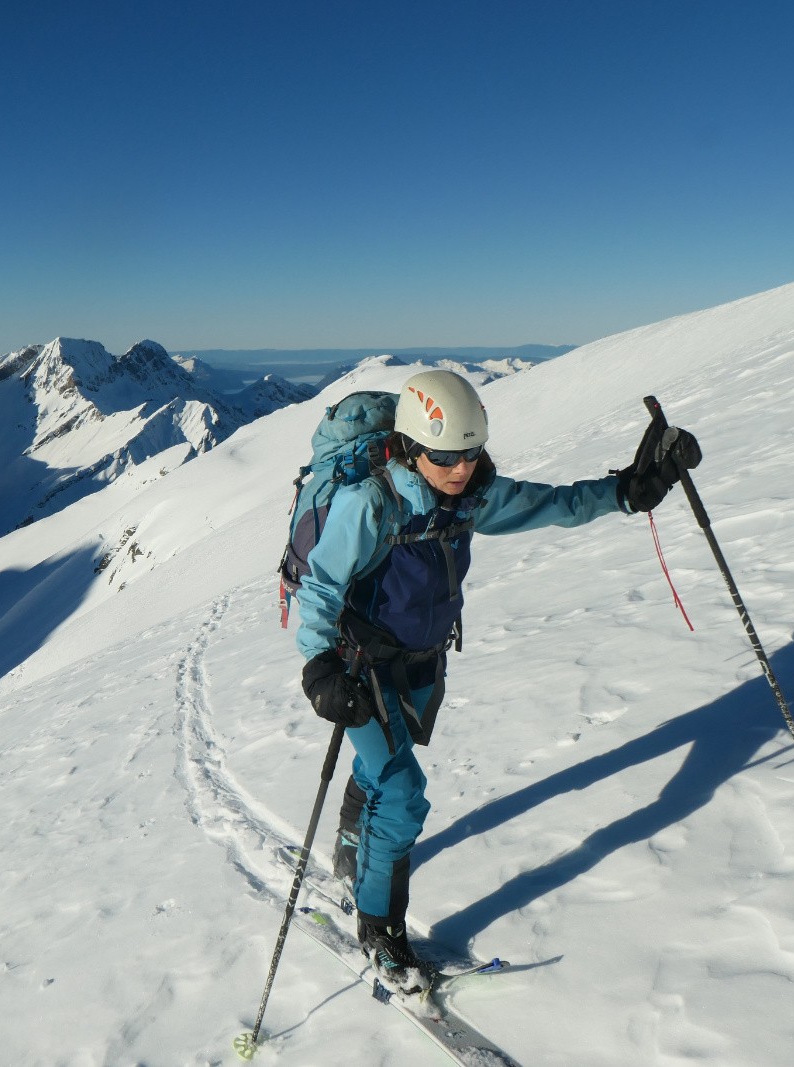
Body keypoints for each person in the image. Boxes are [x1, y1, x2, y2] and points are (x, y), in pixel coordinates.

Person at [293, 368, 698, 995]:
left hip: (424, 663)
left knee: (384, 774)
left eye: (471, 453)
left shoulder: (472, 497)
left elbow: (554, 504)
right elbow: (319, 589)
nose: (460, 467)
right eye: (445, 456)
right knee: (403, 795)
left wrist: (631, 492)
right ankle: (380, 931)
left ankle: (352, 850)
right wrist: (319, 666)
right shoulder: (371, 503)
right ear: (409, 446)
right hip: (359, 665)